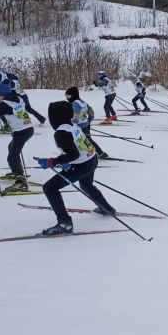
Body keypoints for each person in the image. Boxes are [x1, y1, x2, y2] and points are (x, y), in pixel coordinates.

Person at [37, 101, 116, 236]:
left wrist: (52, 161)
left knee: (50, 188)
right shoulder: (72, 125)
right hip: (91, 159)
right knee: (86, 184)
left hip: (83, 164)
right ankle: (106, 208)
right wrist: (65, 162)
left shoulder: (61, 132)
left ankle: (65, 223)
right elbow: (77, 147)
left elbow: (73, 154)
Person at [65, 86, 107, 159]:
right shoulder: (82, 102)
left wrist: (71, 125)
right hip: (86, 125)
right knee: (86, 140)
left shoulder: (75, 104)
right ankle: (87, 152)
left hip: (80, 127)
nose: (67, 98)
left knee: (85, 140)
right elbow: (91, 112)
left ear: (73, 95)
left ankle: (100, 153)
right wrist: (88, 121)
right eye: (66, 96)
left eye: (68, 96)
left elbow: (75, 117)